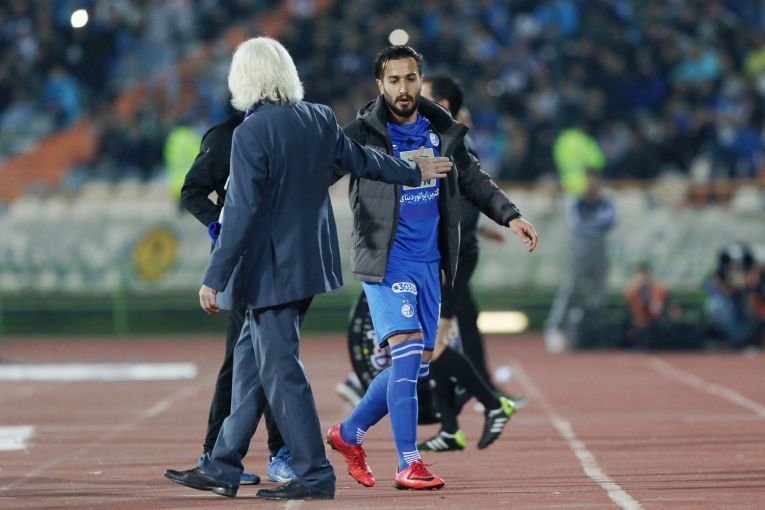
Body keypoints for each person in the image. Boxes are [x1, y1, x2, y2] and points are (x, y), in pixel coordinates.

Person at [163, 37, 453, 501]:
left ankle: (315, 472)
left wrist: (214, 277)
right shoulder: (317, 117)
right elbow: (363, 161)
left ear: (244, 78)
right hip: (308, 267)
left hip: (268, 273)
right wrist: (412, 171)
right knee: (250, 368)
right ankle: (222, 464)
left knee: (282, 373)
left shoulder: (251, 132)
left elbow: (240, 212)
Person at [326, 46, 538, 490]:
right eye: (394, 80)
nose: (403, 88)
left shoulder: (441, 129)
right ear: (379, 85)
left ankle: (349, 433)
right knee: (406, 354)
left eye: (410, 79)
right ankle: (408, 463)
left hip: (431, 263)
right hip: (386, 259)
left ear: (420, 80)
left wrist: (510, 215)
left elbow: (473, 179)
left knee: (417, 365)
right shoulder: (360, 134)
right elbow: (319, 173)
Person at [169, 111, 293, 486]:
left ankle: (227, 456)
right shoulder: (226, 136)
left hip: (283, 259)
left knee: (264, 356)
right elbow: (192, 190)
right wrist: (222, 226)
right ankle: (240, 453)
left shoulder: (291, 130)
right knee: (255, 357)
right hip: (244, 263)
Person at [417, 74, 526, 453]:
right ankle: (451, 428)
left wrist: (444, 252)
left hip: (451, 258)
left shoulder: (455, 144)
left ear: (443, 105)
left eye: (424, 94)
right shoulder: (433, 139)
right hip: (446, 254)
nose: (415, 98)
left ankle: (493, 403)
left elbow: (467, 203)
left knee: (432, 346)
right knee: (435, 343)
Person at [545, 170, 615, 352]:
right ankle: (555, 327)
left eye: (595, 181)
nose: (592, 185)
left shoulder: (605, 202)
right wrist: (595, 224)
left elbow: (610, 219)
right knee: (571, 288)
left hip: (600, 249)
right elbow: (576, 224)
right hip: (580, 249)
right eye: (589, 181)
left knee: (598, 292)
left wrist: (590, 223)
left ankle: (593, 333)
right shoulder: (577, 203)